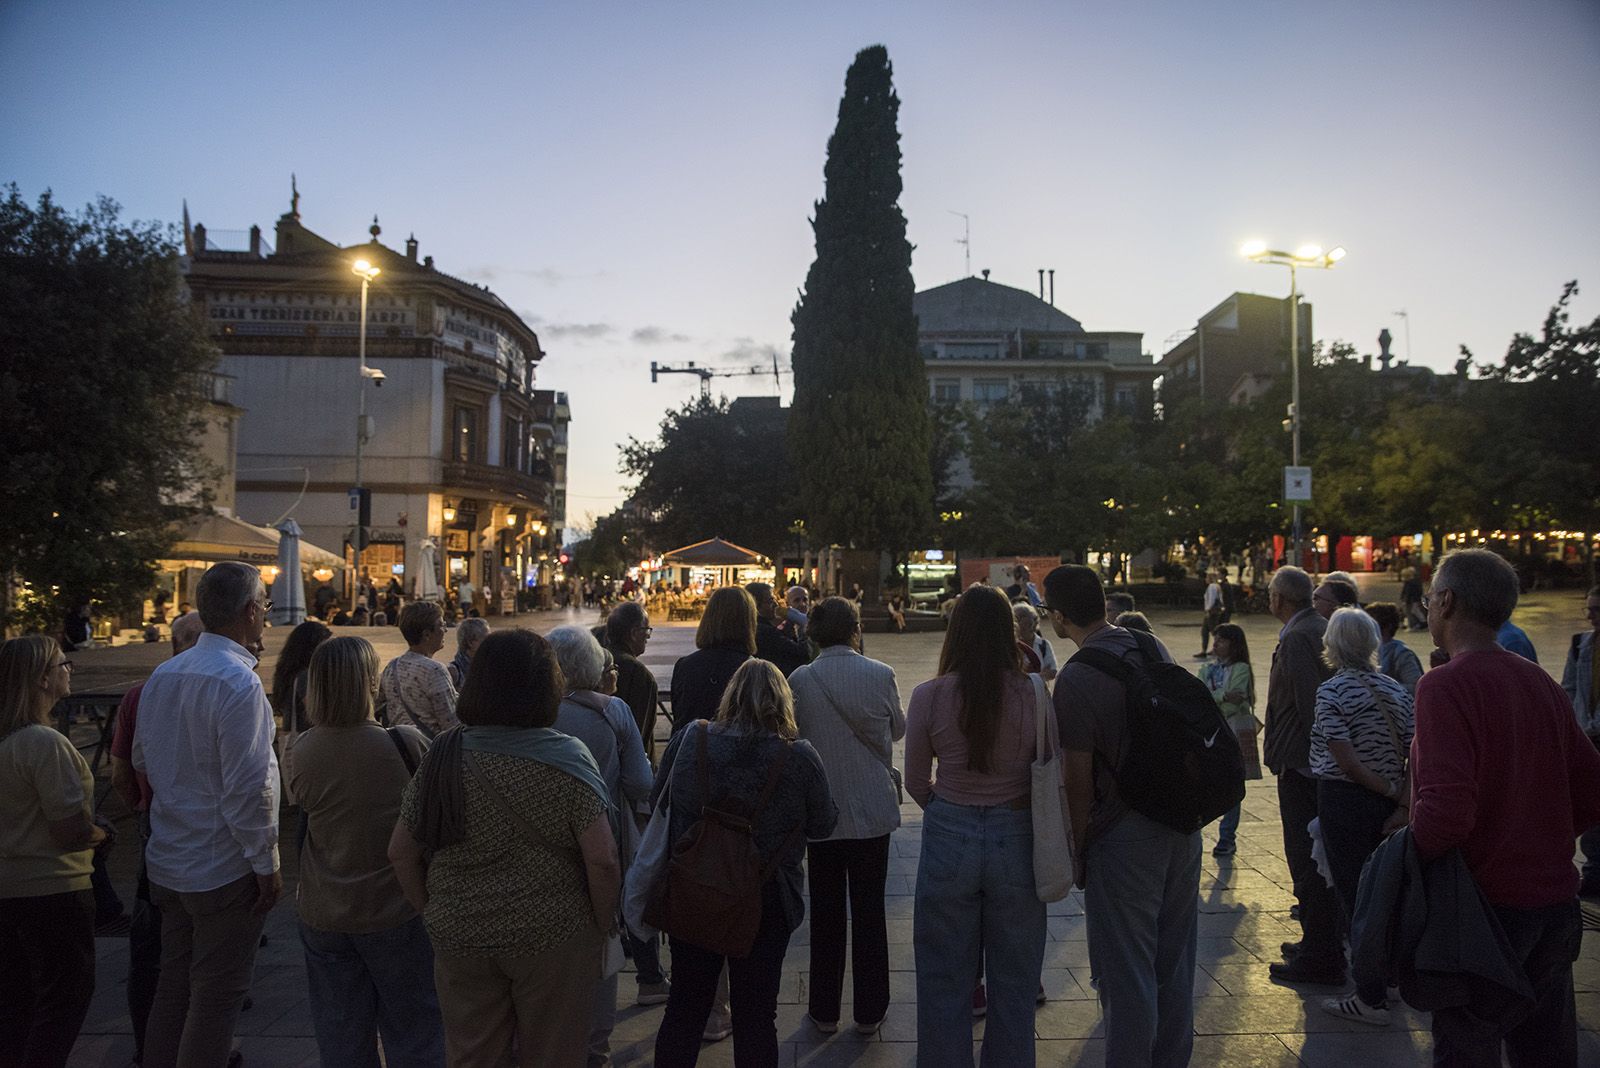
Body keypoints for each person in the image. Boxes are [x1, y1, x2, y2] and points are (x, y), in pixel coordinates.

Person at [388, 629, 620, 1068]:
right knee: (554, 1052)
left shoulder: (444, 752)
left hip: (461, 932)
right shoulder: (567, 756)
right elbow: (603, 859)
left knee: (473, 1054)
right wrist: (602, 923)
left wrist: (432, 910)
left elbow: (400, 851)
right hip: (553, 936)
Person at [1412, 551, 1600, 1064]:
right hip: (1554, 906)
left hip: (1484, 913)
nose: (1428, 607)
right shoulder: (1537, 681)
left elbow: (1446, 811)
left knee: (1468, 1044)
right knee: (1546, 1048)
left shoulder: (1444, 685)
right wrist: (1540, 834)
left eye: (1430, 597)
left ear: (1447, 601)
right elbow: (1592, 786)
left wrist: (1403, 862)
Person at [1044, 564, 1197, 1068]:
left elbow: (1078, 780)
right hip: (1180, 820)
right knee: (1173, 961)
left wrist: (1078, 849)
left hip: (1124, 835)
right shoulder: (1151, 646)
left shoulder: (1077, 678)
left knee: (1127, 969)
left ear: (1060, 616)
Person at [652, 660, 837, 1067]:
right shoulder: (799, 757)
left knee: (685, 1008)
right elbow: (824, 824)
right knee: (757, 1016)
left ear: (730, 696)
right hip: (767, 899)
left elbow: (659, 801)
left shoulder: (689, 739)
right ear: (783, 702)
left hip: (695, 889)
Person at [133, 561, 282, 1068]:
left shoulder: (163, 675)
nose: (266, 616)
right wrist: (266, 864)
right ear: (247, 612)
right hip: (223, 866)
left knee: (173, 987)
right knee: (216, 998)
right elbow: (249, 789)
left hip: (170, 858)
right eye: (264, 606)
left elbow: (141, 760)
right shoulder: (238, 686)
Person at [905, 585, 1045, 1067]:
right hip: (1017, 832)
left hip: (949, 830)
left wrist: (949, 811)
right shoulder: (1033, 692)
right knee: (1016, 978)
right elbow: (1049, 767)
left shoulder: (929, 695)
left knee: (944, 976)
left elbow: (915, 780)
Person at [289, 636, 443, 1068]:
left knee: (340, 1033)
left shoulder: (301, 752)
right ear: (367, 683)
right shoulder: (404, 743)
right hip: (396, 904)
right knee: (416, 1028)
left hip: (324, 909)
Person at [789, 597, 905, 1036]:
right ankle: (871, 1010)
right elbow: (898, 729)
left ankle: (824, 1009)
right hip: (873, 811)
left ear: (813, 633)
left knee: (827, 913)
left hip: (822, 812)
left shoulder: (800, 678)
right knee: (870, 911)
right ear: (856, 629)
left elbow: (792, 734)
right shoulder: (880, 674)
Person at [546, 625, 654, 1063]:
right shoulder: (614, 711)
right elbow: (640, 781)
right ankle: (595, 1045)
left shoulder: (538, 710)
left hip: (544, 844)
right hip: (602, 837)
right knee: (601, 938)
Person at [0, 635, 104, 1068]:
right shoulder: (44, 744)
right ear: (43, 679)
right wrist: (100, 833)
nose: (69, 671)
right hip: (54, 887)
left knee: (16, 1002)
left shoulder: (8, 742)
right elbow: (68, 830)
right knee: (64, 999)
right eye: (64, 664)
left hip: (8, 889)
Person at [1309, 608, 1414, 1025]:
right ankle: (1389, 977)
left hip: (1345, 800)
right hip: (1389, 806)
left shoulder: (1332, 692)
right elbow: (1415, 755)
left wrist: (1384, 789)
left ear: (1332, 645)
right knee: (1387, 893)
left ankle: (1368, 995)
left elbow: (1347, 762)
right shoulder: (1395, 690)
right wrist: (1401, 803)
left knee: (1356, 897)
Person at [108, 611, 204, 1066]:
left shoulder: (140, 695)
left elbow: (123, 769)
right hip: (188, 827)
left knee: (153, 939)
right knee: (176, 938)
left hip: (154, 822)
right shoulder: (210, 689)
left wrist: (140, 806)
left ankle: (154, 1043)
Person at [1262, 565, 1343, 985]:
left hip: (1304, 766)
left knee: (1306, 859)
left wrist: (1315, 759)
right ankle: (1318, 939)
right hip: (1310, 763)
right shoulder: (1317, 625)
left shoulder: (1296, 636)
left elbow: (1311, 702)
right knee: (1315, 858)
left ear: (1279, 599)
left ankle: (1320, 952)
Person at [1203, 622, 1259, 857]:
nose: (1216, 644)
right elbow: (1202, 694)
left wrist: (1217, 698)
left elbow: (1237, 701)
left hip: (1236, 730)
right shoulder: (1207, 668)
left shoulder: (1241, 668)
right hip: (1214, 732)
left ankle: (1227, 836)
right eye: (1215, 640)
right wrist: (1224, 695)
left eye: (1222, 640)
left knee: (1235, 781)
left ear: (1234, 645)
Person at [669, 586, 757, 732]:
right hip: (732, 752)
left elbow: (680, 716)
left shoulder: (685, 665)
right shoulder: (753, 670)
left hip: (690, 750)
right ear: (749, 622)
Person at [270, 619, 333, 808]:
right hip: (307, 745)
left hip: (294, 742)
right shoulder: (306, 676)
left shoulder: (289, 672)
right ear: (311, 647)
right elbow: (315, 711)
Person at [1563, 584, 1600, 896]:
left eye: (1596, 609)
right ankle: (1593, 872)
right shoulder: (1581, 645)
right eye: (1588, 608)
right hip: (1588, 737)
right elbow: (1568, 688)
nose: (1590, 616)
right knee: (1591, 804)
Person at [379, 601, 458, 739]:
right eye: (441, 625)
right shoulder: (435, 671)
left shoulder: (392, 667)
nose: (445, 630)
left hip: (401, 748)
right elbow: (451, 725)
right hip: (428, 750)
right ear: (427, 634)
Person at [602, 601, 660, 765]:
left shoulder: (598, 662)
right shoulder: (638, 674)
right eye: (646, 630)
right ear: (634, 633)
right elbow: (639, 734)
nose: (648, 637)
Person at [747, 582, 808, 677]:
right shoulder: (766, 633)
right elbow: (802, 654)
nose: (775, 604)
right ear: (756, 606)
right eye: (770, 600)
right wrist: (802, 629)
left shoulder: (753, 628)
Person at [1363, 603, 1423, 698]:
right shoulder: (1366, 650)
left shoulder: (1401, 653)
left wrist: (1382, 688)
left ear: (1388, 626)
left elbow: (1416, 687)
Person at [1012, 602, 1057, 682]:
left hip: (1041, 693)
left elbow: (1052, 671)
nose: (1028, 628)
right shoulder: (1010, 647)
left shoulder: (1044, 645)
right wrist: (1040, 675)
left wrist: (1028, 677)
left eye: (1029, 624)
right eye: (1023, 626)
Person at [446, 617, 489, 691]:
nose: (490, 643)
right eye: (486, 639)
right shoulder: (454, 672)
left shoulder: (487, 665)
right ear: (471, 642)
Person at [1199, 571, 1224, 658]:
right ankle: (1205, 650)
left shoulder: (1212, 586)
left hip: (1211, 612)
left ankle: (1217, 649)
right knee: (1205, 631)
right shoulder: (1217, 586)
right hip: (1215, 611)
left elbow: (1212, 599)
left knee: (1213, 631)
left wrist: (1208, 609)